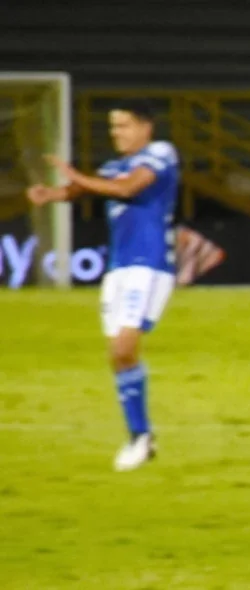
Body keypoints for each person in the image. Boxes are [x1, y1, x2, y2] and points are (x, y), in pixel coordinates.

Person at [25, 98, 179, 472]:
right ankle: (141, 434)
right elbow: (88, 188)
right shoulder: (114, 166)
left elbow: (127, 189)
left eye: (124, 125)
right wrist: (54, 194)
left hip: (149, 265)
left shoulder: (161, 153)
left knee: (125, 346)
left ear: (145, 127)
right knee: (118, 354)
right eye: (112, 127)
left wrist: (76, 177)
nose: (117, 133)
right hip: (118, 269)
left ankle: (139, 439)